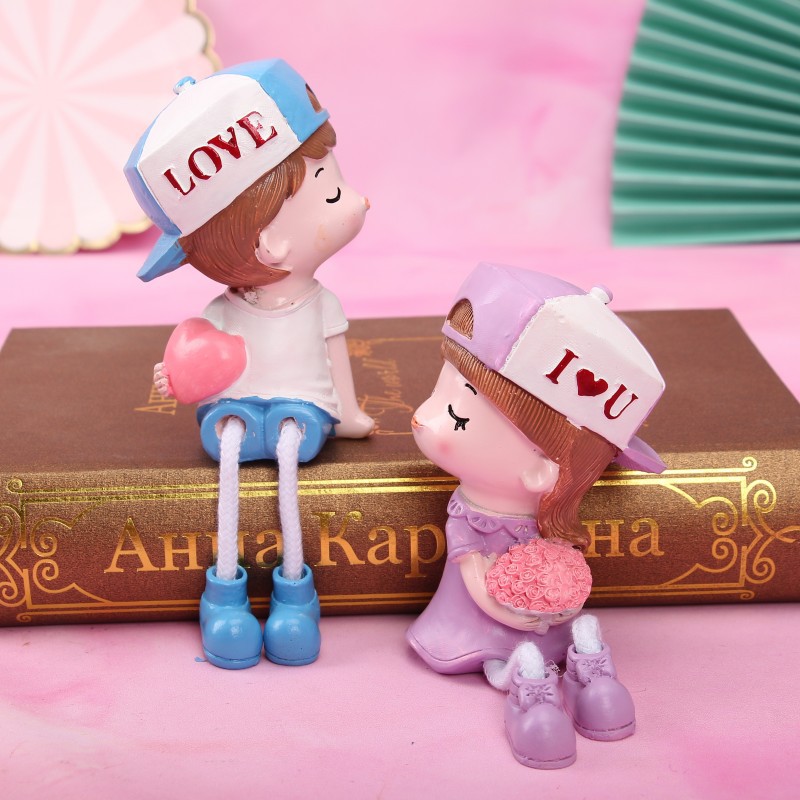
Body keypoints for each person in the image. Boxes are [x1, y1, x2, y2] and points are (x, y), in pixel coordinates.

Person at [124, 59, 373, 669]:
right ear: (270, 244)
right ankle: (225, 594)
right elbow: (202, 358)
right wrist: (178, 378)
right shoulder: (222, 311)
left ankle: (294, 592)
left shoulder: (321, 303)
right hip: (232, 409)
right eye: (333, 192)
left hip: (301, 409)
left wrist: (345, 416)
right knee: (231, 446)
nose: (360, 200)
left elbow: (334, 362)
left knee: (288, 448)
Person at [407, 262, 666, 768]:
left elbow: (565, 570)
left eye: (456, 414)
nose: (421, 416)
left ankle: (582, 666)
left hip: (542, 621)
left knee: (559, 637)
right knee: (508, 651)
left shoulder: (546, 522)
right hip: (474, 618)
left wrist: (563, 605)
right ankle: (524, 677)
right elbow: (472, 573)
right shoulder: (470, 513)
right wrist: (507, 612)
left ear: (541, 472)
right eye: (439, 395)